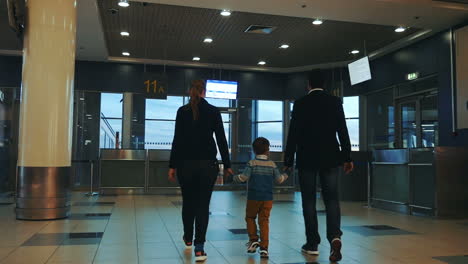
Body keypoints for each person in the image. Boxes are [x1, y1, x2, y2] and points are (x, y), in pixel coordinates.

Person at [284, 70, 354, 262]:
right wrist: (347, 157)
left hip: (307, 158)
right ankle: (335, 237)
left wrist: (288, 160)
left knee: (308, 201)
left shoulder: (300, 104)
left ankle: (312, 243)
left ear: (308, 84)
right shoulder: (335, 102)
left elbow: (294, 133)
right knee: (332, 199)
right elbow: (343, 130)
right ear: (324, 84)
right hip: (331, 157)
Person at [168, 80, 233, 262]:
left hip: (185, 166)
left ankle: (188, 237)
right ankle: (199, 248)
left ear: (190, 91)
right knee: (203, 206)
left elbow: (177, 140)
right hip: (207, 166)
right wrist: (227, 165)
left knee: (188, 203)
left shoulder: (182, 111)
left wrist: (172, 166)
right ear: (204, 91)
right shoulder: (213, 111)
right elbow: (221, 139)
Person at [233, 137, 288, 259]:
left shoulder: (252, 163)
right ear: (268, 150)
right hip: (267, 198)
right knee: (264, 221)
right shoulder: (272, 165)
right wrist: (286, 174)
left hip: (253, 197)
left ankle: (253, 240)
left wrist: (233, 177)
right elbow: (279, 179)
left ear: (254, 150)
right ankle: (264, 248)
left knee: (250, 217)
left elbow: (243, 178)